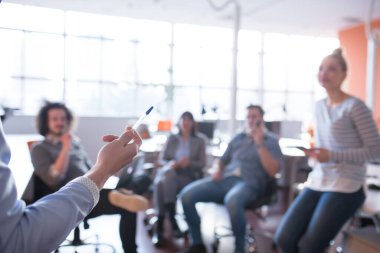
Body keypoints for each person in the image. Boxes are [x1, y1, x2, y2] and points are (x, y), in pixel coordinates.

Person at [274, 49, 380, 253]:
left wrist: (331, 155)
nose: (324, 73)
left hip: (347, 185)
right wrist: (317, 154)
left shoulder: (355, 107)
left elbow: (375, 151)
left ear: (343, 74)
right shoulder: (319, 106)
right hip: (320, 179)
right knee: (284, 238)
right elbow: (327, 146)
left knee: (310, 247)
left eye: (331, 69)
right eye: (321, 68)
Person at [0, 116, 142, 253]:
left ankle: (117, 197)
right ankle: (114, 196)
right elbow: (53, 178)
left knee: (129, 200)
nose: (60, 122)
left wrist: (109, 165)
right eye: (55, 119)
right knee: (127, 204)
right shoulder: (40, 148)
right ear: (45, 122)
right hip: (63, 195)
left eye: (63, 119)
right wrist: (66, 146)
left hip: (91, 187)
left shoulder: (76, 144)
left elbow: (91, 168)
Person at [179, 105, 282, 253]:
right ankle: (198, 243)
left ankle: (239, 249)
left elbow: (273, 171)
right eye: (249, 116)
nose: (251, 120)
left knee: (232, 201)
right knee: (186, 196)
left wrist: (259, 143)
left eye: (255, 116)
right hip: (226, 180)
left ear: (261, 119)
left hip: (250, 183)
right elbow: (222, 160)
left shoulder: (270, 140)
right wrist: (218, 169)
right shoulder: (238, 138)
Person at [152, 111, 206, 247]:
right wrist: (171, 164)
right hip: (170, 173)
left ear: (193, 123)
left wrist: (189, 163)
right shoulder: (172, 138)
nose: (186, 122)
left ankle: (160, 227)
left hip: (187, 175)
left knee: (160, 184)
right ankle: (172, 218)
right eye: (183, 120)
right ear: (180, 122)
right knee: (165, 177)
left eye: (189, 120)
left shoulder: (200, 140)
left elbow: (202, 164)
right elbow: (162, 159)